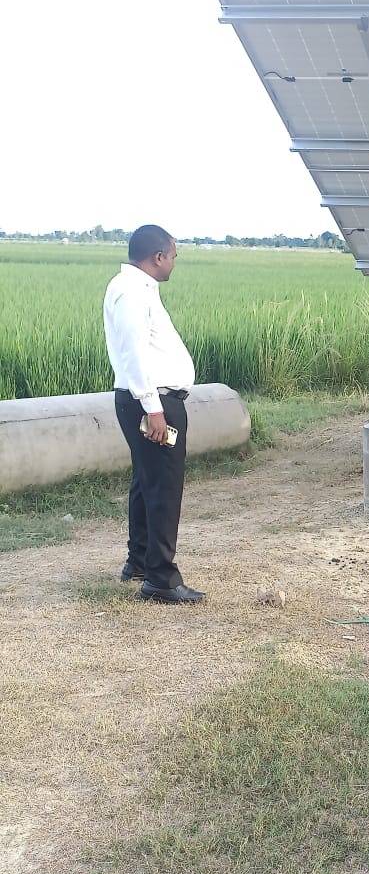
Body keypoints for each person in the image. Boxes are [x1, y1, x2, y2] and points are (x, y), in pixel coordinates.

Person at [103, 225, 205, 603]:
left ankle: (140, 562)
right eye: (173, 256)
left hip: (148, 399)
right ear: (158, 257)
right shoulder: (132, 292)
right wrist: (155, 409)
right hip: (152, 401)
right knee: (163, 486)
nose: (175, 262)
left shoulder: (137, 287)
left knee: (147, 482)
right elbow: (135, 355)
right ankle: (161, 578)